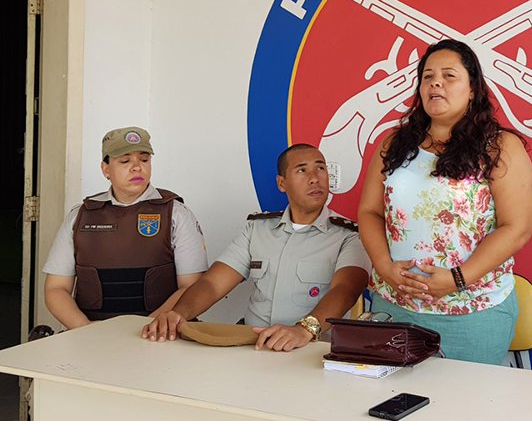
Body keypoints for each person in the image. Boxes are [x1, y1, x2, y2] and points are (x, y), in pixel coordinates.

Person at [358, 39, 532, 365]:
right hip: (395, 304)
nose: (435, 82)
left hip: (472, 310)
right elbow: (369, 212)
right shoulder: (393, 144)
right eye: (427, 76)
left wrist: (457, 279)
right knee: (391, 407)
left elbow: (517, 229)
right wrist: (385, 268)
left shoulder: (500, 147)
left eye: (449, 75)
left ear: (473, 89)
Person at [142, 144, 371, 352]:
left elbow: (345, 291)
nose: (314, 178)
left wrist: (305, 330)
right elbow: (213, 284)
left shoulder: (349, 235)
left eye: (320, 169)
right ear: (282, 184)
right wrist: (178, 314)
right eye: (302, 170)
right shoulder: (257, 230)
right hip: (252, 347)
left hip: (309, 349)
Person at [42, 126, 208, 328]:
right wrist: (84, 329)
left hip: (159, 335)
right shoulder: (80, 216)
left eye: (144, 160)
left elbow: (191, 287)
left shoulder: (176, 214)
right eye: (125, 161)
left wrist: (144, 328)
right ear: (106, 169)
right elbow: (56, 288)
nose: (137, 167)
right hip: (91, 339)